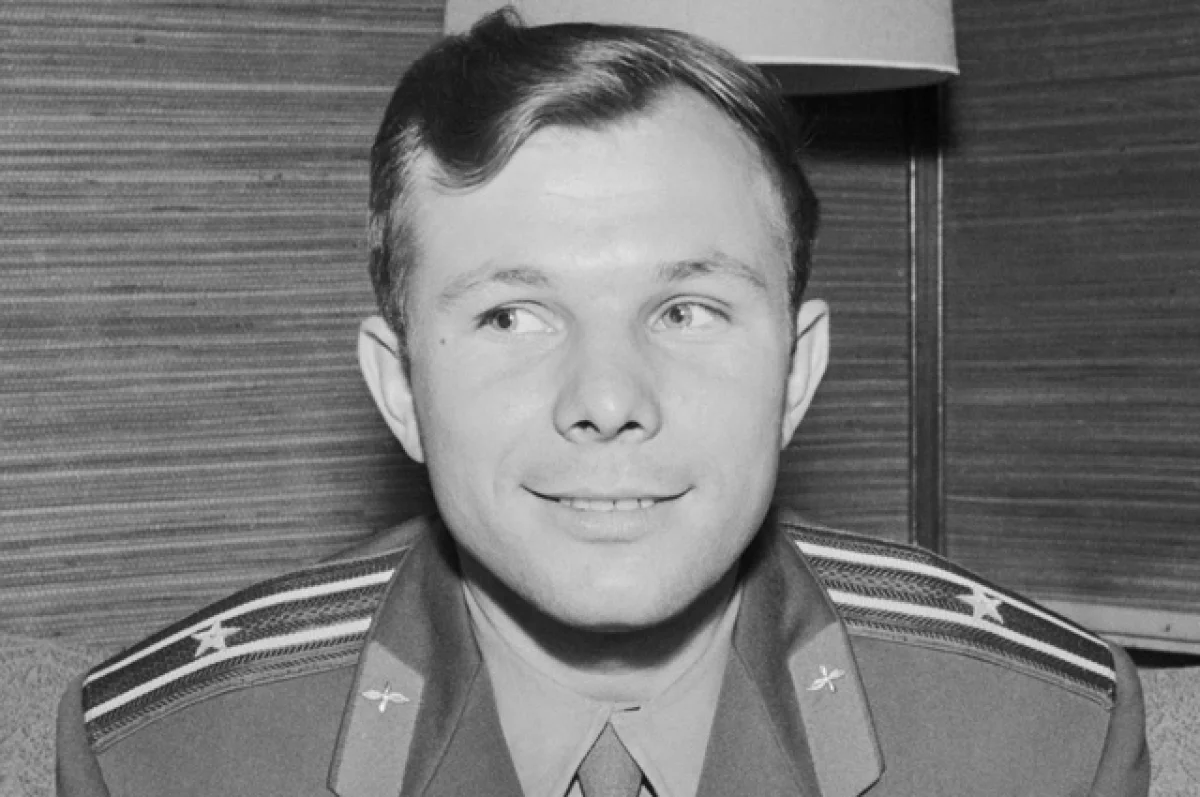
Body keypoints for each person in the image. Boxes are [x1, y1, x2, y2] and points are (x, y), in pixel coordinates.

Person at [57, 9, 1149, 797]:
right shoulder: (167, 756)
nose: (609, 398)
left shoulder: (1039, 739)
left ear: (796, 372)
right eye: (511, 317)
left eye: (686, 310)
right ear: (400, 388)